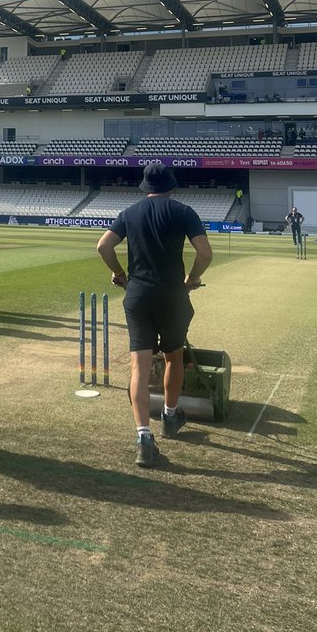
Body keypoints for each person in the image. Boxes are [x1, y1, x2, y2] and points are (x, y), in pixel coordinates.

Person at [96, 163, 212, 469]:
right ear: (171, 186)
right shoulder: (184, 212)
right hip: (172, 296)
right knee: (174, 357)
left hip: (138, 295)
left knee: (140, 367)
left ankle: (143, 439)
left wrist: (120, 273)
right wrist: (191, 279)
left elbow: (103, 246)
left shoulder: (129, 213)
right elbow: (205, 254)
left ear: (145, 187)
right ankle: (170, 417)